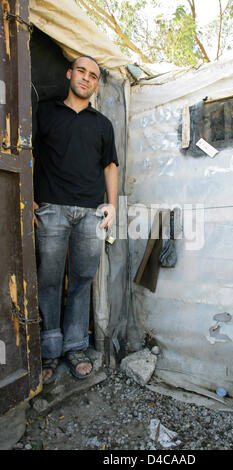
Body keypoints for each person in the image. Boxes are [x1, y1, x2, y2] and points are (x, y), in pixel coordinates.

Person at [33, 56, 118, 384]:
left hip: (90, 214)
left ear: (96, 85)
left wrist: (112, 206)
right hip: (51, 209)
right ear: (69, 74)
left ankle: (74, 347)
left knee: (82, 280)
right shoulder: (46, 113)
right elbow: (29, 153)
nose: (86, 78)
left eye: (93, 76)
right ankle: (49, 350)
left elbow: (110, 166)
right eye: (81, 71)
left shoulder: (102, 124)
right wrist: (28, 202)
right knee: (50, 281)